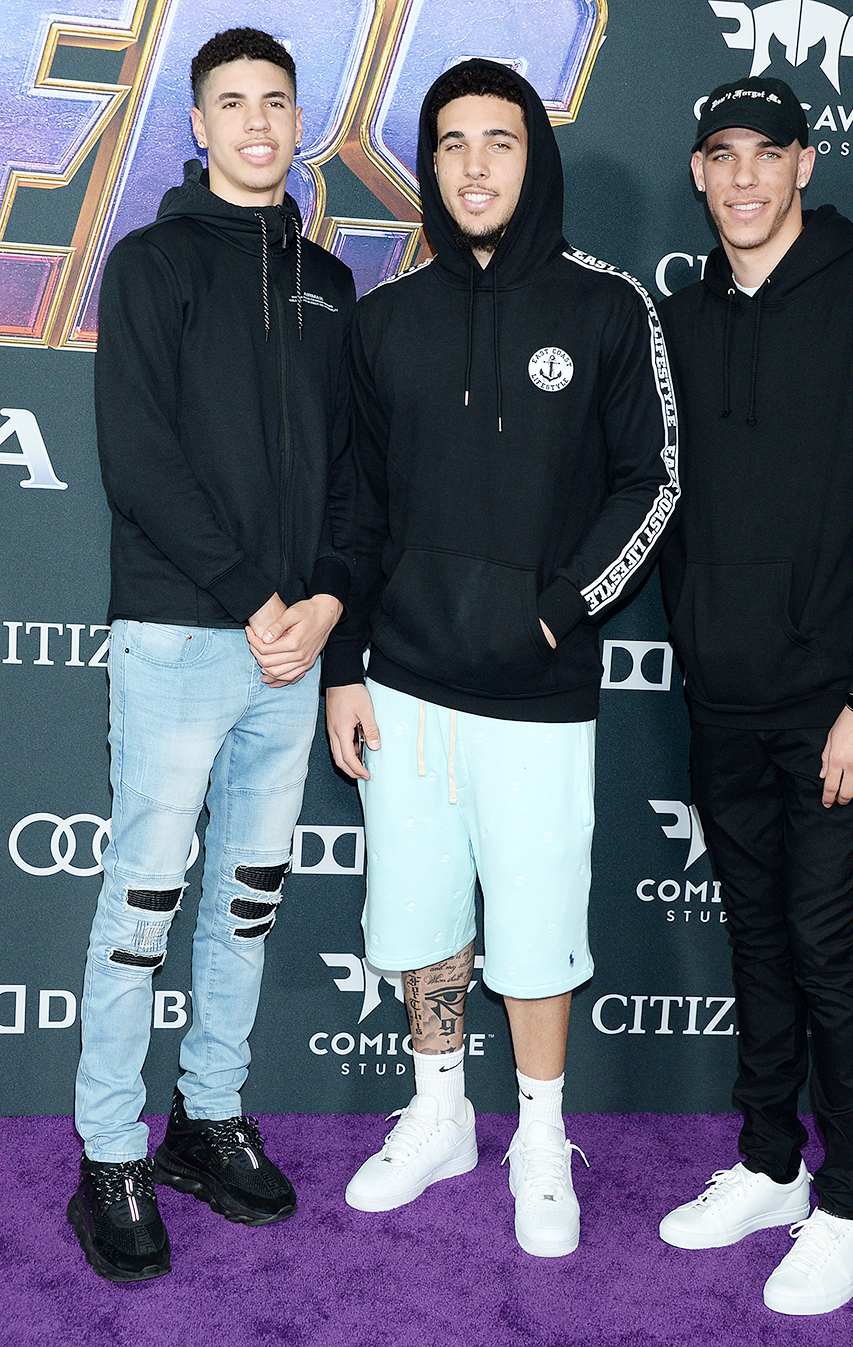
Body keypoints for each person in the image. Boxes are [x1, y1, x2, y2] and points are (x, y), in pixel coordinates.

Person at [325, 59, 678, 1258]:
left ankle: (537, 1137)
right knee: (423, 918)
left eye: (501, 142)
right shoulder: (384, 319)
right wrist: (340, 671)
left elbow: (653, 483)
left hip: (537, 693)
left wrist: (555, 613)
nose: (475, 166)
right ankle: (439, 1114)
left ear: (537, 159)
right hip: (406, 685)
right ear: (427, 166)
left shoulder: (606, 307)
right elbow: (355, 508)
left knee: (531, 928)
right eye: (451, 144)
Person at [656, 77, 853, 1314]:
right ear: (697, 173)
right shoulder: (675, 321)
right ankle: (771, 1163)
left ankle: (851, 1199)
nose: (742, 179)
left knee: (825, 944)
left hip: (837, 704)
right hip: (719, 694)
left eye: (764, 155)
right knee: (759, 939)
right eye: (720, 157)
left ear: (806, 164)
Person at [69, 27, 355, 1282]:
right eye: (230, 103)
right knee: (143, 902)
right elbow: (140, 463)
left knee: (245, 901)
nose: (254, 123)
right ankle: (108, 1152)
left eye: (275, 103)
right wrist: (256, 598)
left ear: (301, 124)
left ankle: (209, 1114)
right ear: (196, 125)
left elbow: (357, 472)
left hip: (293, 650)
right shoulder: (144, 267)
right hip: (188, 633)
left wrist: (329, 602)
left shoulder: (333, 285)